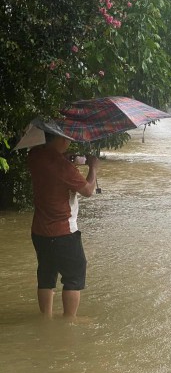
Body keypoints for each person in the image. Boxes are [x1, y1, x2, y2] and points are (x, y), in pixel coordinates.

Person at [28, 132, 99, 319]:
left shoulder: (34, 155)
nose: (69, 142)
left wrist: (67, 159)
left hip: (39, 230)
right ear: (62, 139)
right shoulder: (64, 167)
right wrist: (93, 167)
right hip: (64, 232)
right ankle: (69, 320)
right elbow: (88, 190)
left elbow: (50, 166)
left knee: (46, 274)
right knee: (74, 276)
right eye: (68, 138)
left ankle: (46, 318)